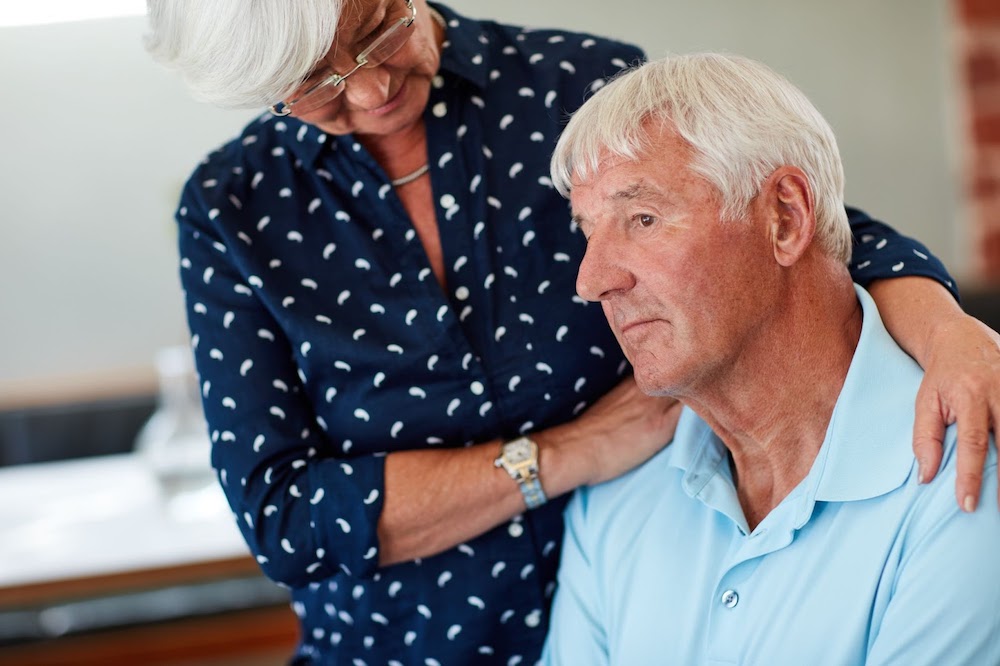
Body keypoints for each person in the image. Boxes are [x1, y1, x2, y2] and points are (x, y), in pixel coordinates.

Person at [143, 1, 1000, 663]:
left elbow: (783, 219)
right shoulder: (235, 207)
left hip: (659, 597)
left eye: (377, 29)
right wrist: (571, 454)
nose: (370, 90)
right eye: (317, 82)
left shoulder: (563, 86)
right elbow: (286, 516)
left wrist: (949, 325)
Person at [542, 53, 1000, 665]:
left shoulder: (968, 477)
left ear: (784, 217)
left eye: (642, 218)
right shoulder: (613, 503)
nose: (592, 279)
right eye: (588, 232)